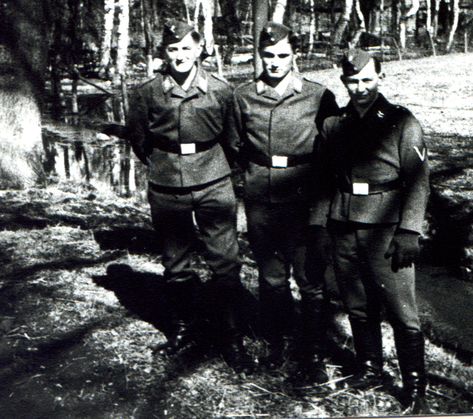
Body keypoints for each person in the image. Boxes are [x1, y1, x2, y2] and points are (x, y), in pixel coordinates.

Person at [126, 20, 253, 373]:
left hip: (214, 179)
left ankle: (232, 336)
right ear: (163, 53)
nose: (179, 56)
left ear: (199, 50)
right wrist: (163, 163)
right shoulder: (147, 92)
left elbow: (233, 138)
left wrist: (219, 171)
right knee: (175, 260)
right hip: (167, 182)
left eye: (186, 48)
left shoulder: (221, 90)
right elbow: (139, 139)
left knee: (224, 259)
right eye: (172, 49)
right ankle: (182, 330)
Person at [310, 49, 430, 413]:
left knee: (400, 310)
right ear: (343, 81)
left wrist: (410, 229)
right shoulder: (334, 125)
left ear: (380, 77)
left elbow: (419, 180)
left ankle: (414, 386)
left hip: (386, 228)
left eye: (367, 80)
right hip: (344, 224)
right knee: (358, 305)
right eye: (352, 81)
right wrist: (319, 226)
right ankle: (369, 368)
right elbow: (321, 180)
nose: (360, 88)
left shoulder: (400, 121)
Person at [232, 22, 339, 383]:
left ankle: (311, 351)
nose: (275, 63)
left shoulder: (317, 95)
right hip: (261, 195)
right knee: (271, 277)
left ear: (296, 56)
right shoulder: (244, 95)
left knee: (309, 279)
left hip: (303, 195)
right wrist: (245, 183)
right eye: (268, 56)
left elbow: (332, 148)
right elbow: (235, 144)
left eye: (282, 56)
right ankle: (275, 344)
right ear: (259, 56)